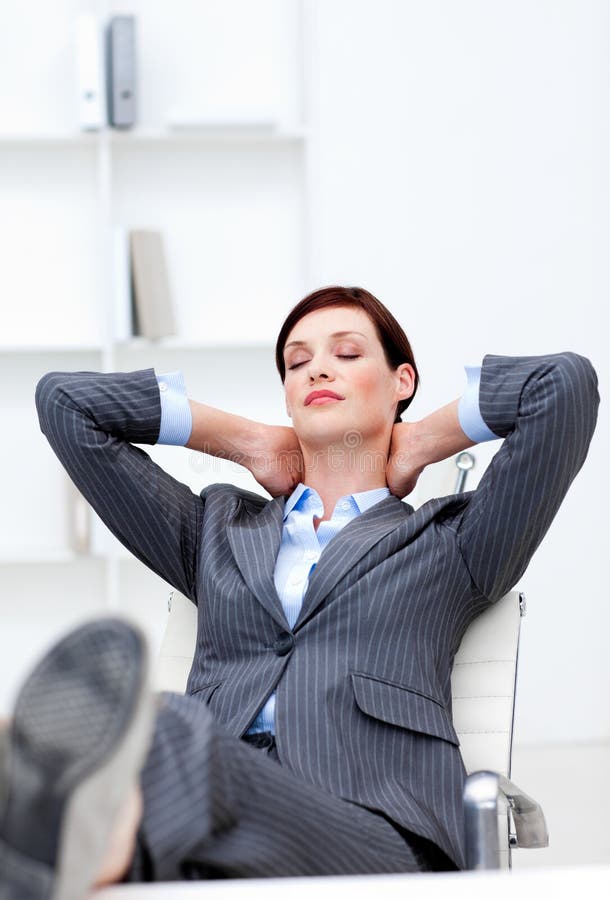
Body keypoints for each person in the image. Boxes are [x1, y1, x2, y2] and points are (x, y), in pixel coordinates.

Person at [0, 286, 599, 897]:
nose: (317, 367)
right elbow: (65, 404)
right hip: (200, 831)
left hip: (377, 832)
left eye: (346, 353)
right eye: (296, 362)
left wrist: (423, 438)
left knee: (161, 729)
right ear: (287, 396)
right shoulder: (214, 529)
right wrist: (244, 440)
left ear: (402, 381)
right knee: (109, 804)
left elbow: (565, 386)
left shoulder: (452, 542)